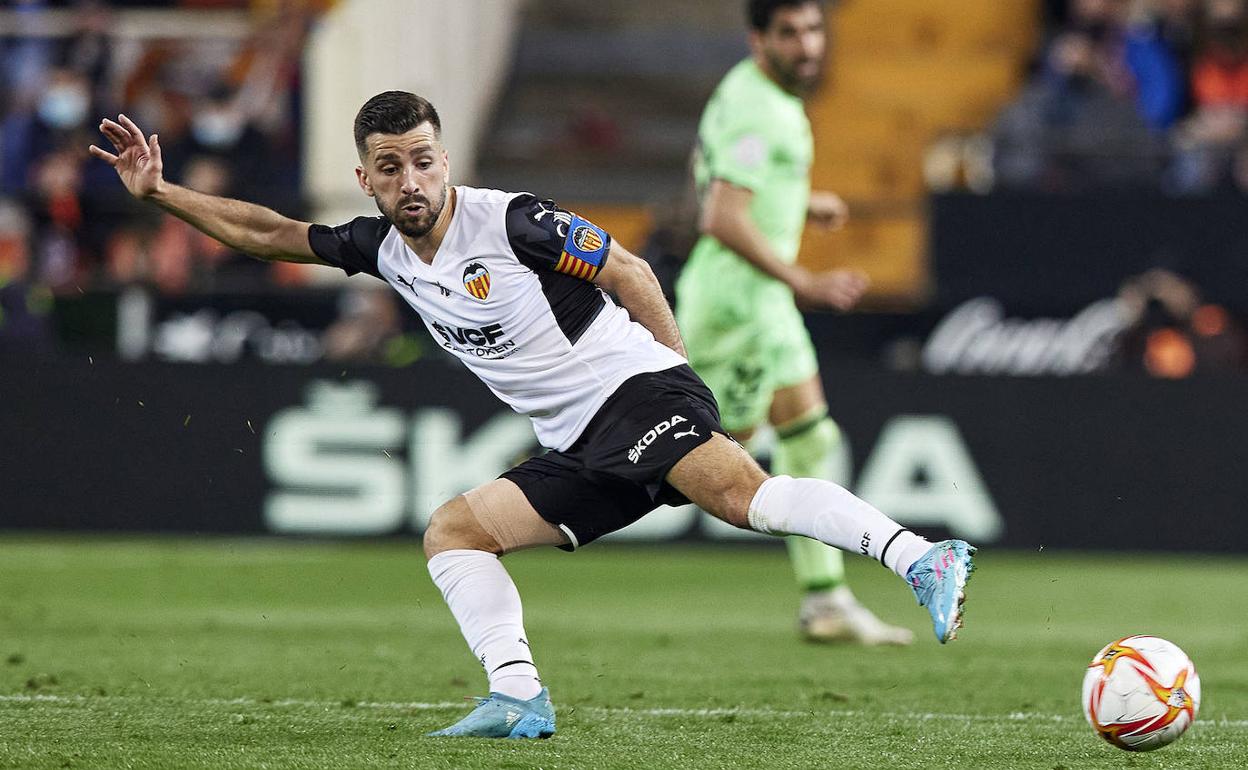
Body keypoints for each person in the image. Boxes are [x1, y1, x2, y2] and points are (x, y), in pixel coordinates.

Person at [89, 92, 975, 740]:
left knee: (742, 498)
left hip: (635, 392)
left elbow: (629, 271)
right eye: (390, 165)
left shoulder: (513, 221)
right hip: (575, 441)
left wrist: (673, 373)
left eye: (424, 158)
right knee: (454, 532)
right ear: (364, 177)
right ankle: (518, 696)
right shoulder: (379, 246)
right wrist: (160, 195)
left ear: (447, 161)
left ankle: (920, 557)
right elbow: (271, 233)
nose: (411, 178)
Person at [676, 0, 913, 645]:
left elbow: (714, 177)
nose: (807, 45)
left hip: (762, 306)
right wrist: (806, 280)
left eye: (813, 30)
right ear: (759, 40)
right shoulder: (760, 107)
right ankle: (550, 493)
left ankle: (826, 602)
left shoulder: (753, 92)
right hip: (736, 310)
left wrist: (805, 202)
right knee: (704, 469)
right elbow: (720, 216)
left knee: (810, 440)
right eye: (789, 33)